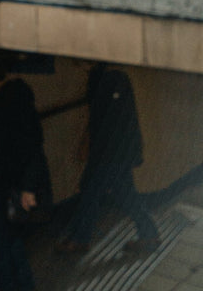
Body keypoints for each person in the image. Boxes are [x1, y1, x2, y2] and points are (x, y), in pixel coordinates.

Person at [56, 63, 159, 256]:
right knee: (123, 195)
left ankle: (80, 239)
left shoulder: (111, 80)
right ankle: (149, 235)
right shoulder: (110, 78)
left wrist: (94, 155)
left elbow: (108, 124)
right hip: (117, 151)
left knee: (91, 193)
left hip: (111, 153)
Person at [0, 52, 51, 291]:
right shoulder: (19, 98)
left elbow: (29, 147)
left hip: (10, 185)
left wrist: (27, 187)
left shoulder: (8, 107)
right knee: (10, 243)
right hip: (13, 184)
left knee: (4, 244)